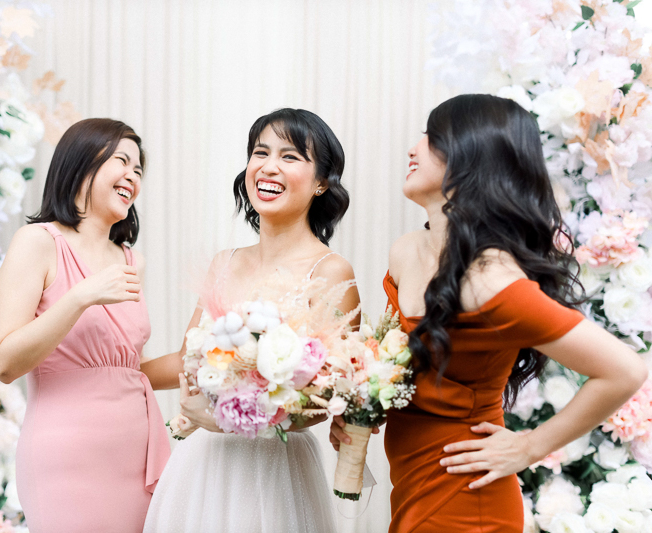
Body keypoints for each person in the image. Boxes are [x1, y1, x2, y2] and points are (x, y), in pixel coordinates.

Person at [330, 94, 647, 532]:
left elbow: (625, 371)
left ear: (471, 157)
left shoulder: (490, 279)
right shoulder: (405, 251)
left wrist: (529, 446)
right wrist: (361, 408)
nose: (413, 149)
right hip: (411, 485)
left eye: (431, 138)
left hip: (470, 500)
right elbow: (398, 367)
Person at [141, 108, 359, 533]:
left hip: (276, 471)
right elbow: (187, 361)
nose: (269, 166)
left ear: (321, 182)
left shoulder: (331, 272)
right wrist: (115, 373)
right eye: (261, 152)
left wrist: (230, 420)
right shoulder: (225, 262)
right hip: (205, 463)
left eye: (290, 156)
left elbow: (330, 400)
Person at [0, 119, 170, 533]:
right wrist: (79, 296)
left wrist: (220, 359)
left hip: (136, 455)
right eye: (121, 161)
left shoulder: (132, 262)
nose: (132, 176)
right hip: (65, 457)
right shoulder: (37, 242)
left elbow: (129, 369)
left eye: (138, 169)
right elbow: (4, 362)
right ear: (81, 163)